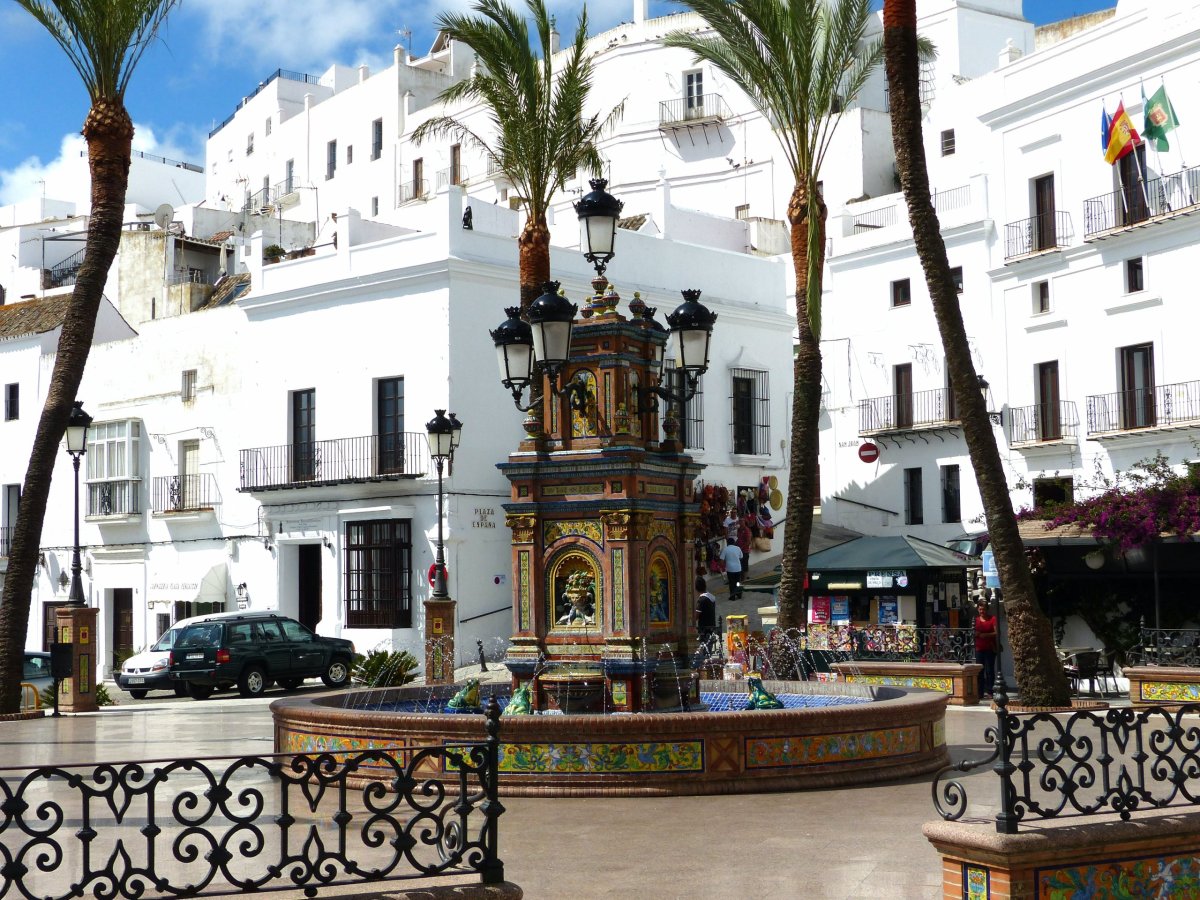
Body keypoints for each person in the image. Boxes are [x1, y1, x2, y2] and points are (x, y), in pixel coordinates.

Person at [974, 599, 999, 699]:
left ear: (987, 609)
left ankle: (990, 691)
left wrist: (986, 635)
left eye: (983, 609)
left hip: (990, 648)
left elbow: (997, 632)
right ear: (977, 609)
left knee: (989, 671)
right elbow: (972, 632)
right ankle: (980, 692)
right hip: (979, 649)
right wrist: (976, 634)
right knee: (979, 671)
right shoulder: (975, 620)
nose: (982, 611)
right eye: (980, 609)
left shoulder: (992, 619)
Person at [694, 576, 719, 666]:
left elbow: (696, 615)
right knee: (708, 650)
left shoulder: (702, 600)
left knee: (704, 651)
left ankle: (704, 666)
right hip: (711, 627)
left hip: (704, 629)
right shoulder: (711, 598)